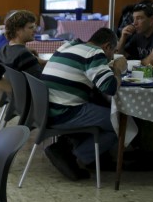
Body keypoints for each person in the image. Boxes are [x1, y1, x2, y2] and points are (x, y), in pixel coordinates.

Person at [41, 28, 127, 180]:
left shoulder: (68, 46)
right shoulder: (95, 53)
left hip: (46, 108)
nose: (111, 56)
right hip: (64, 113)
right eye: (112, 51)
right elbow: (110, 88)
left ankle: (68, 147)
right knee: (119, 123)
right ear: (107, 46)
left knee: (101, 109)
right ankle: (74, 156)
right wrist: (118, 70)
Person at [0, 10, 46, 84]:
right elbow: (41, 83)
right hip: (35, 95)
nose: (35, 30)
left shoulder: (4, 50)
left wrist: (14, 92)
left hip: (16, 95)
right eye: (31, 27)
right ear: (18, 30)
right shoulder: (24, 55)